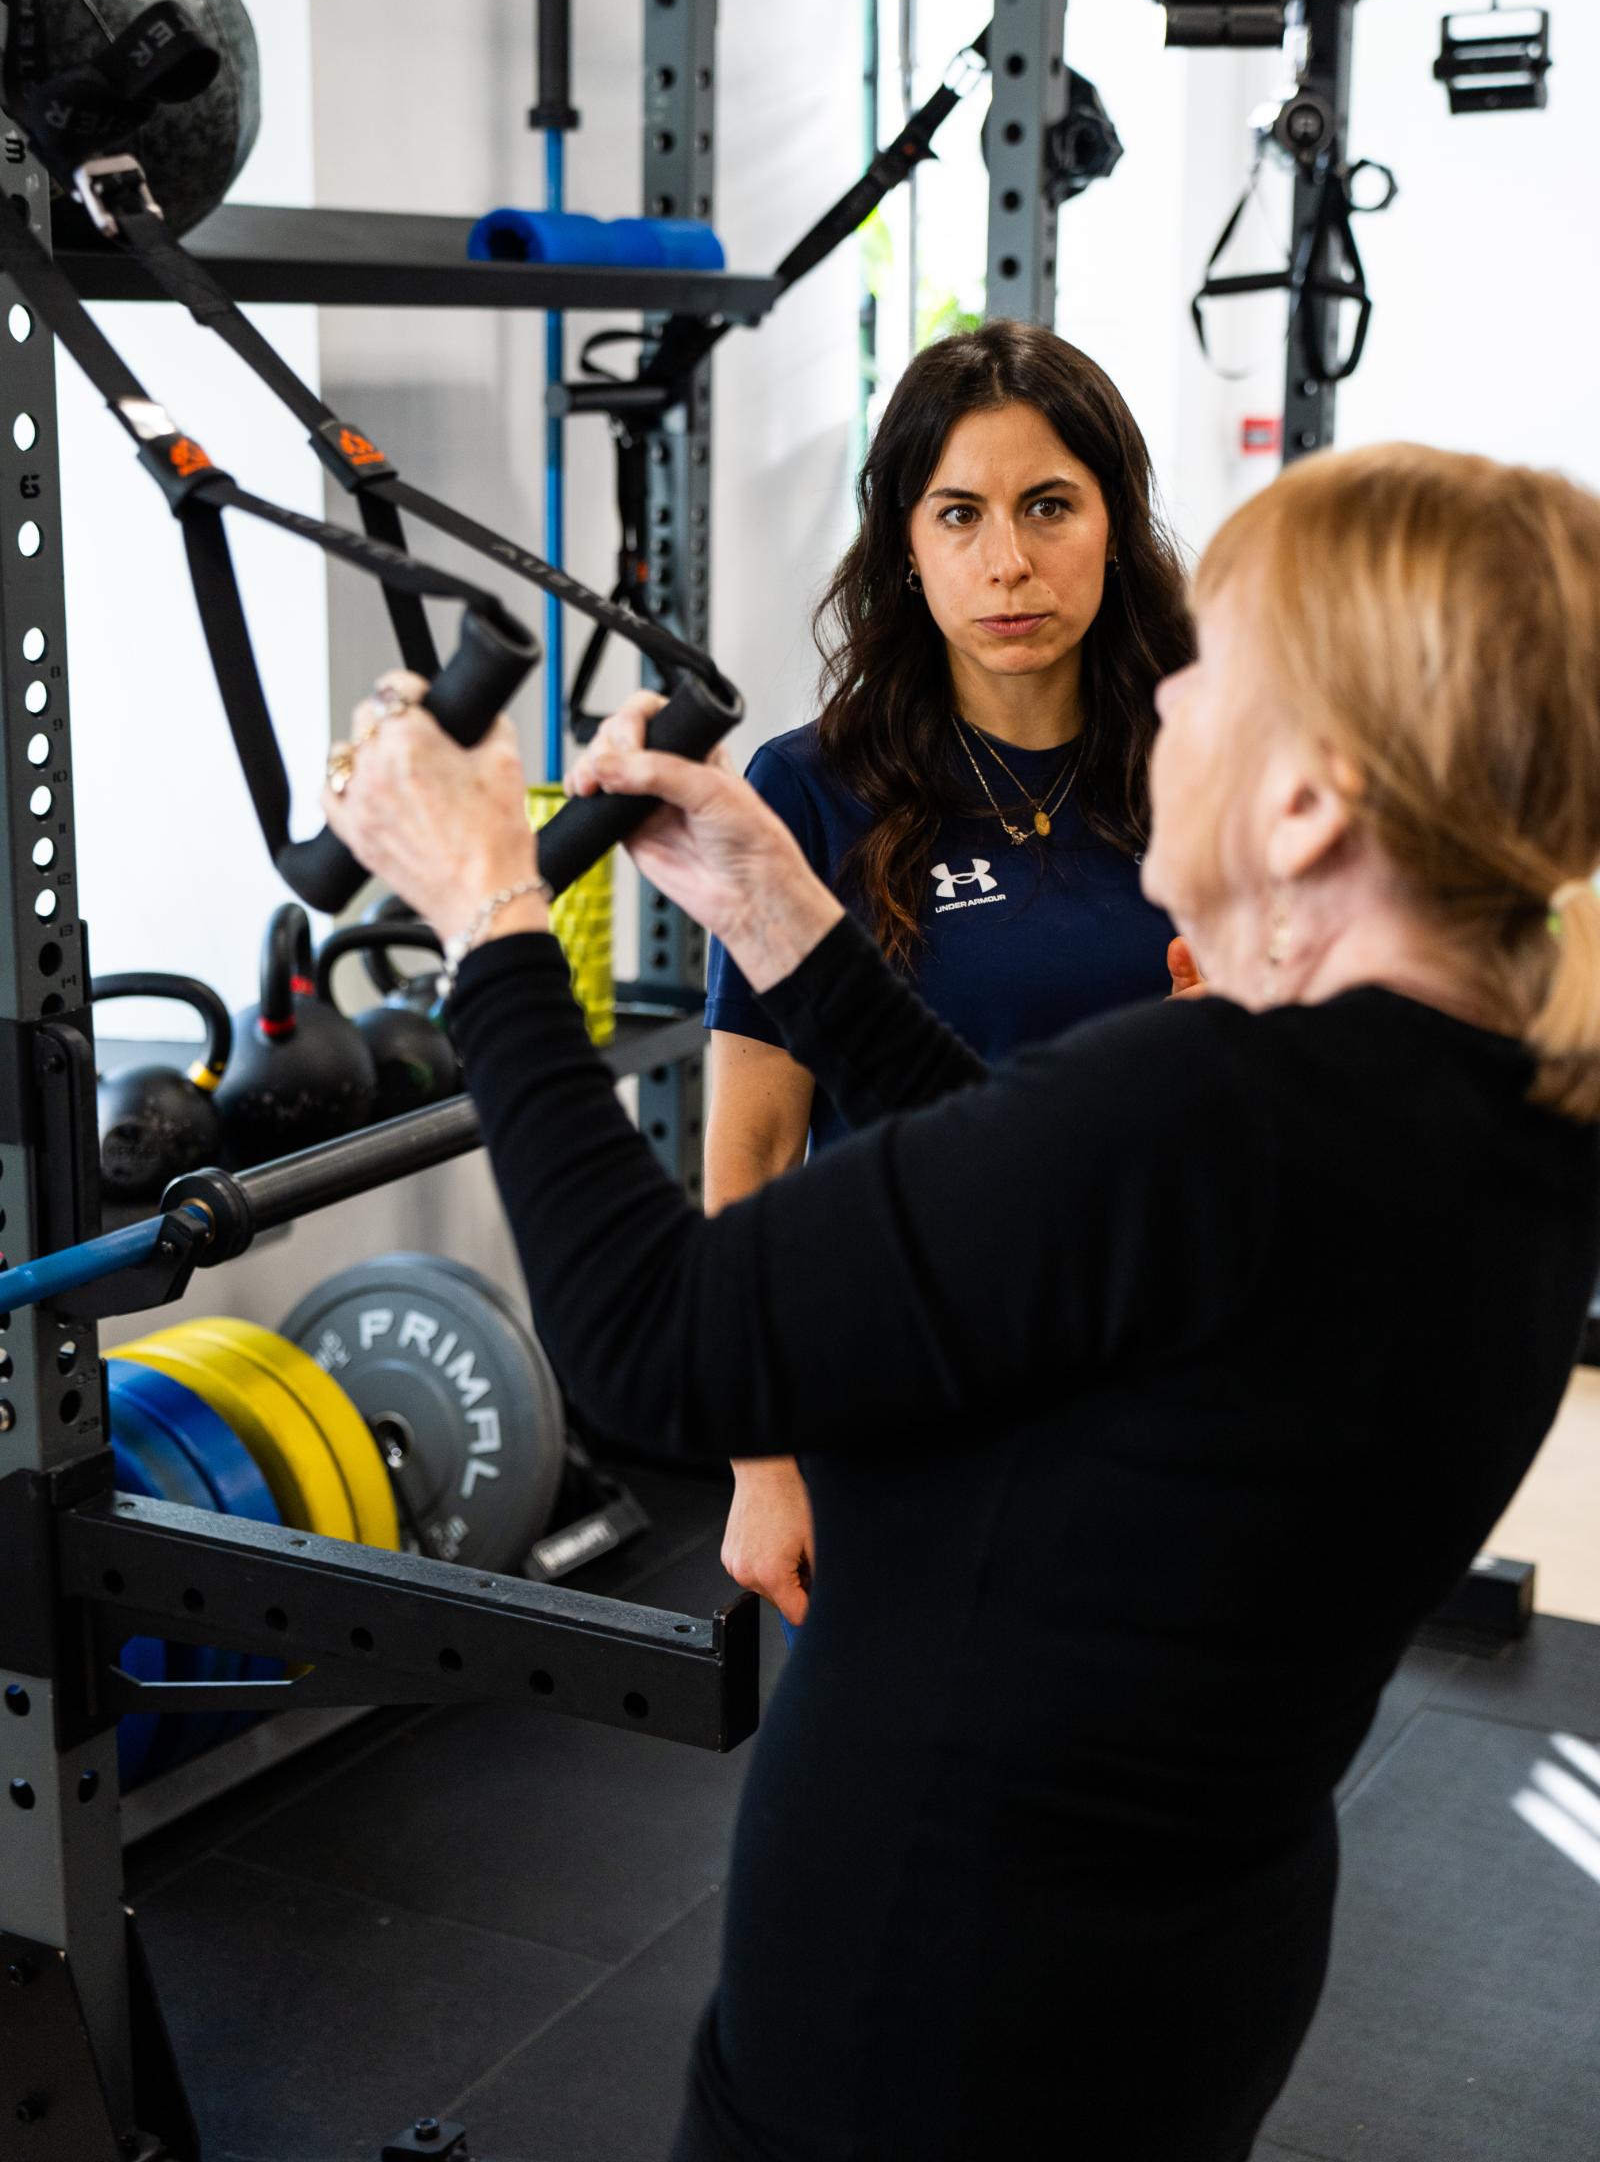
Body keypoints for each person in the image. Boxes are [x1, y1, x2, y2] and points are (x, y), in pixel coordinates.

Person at [325, 441, 1600, 2162]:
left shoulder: (1217, 1106)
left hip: (929, 2022)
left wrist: (487, 917)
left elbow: (651, 1347)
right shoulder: (1493, 1107)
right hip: (1172, 1984)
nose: (1165, 713)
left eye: (1211, 672)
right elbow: (1049, 1222)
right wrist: (785, 914)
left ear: (1312, 803)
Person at [705, 321, 1194, 1627]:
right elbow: (750, 1156)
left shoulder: (1207, 765)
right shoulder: (808, 792)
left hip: (1162, 1388)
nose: (1009, 561)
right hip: (902, 1393)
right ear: (907, 551)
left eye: (1050, 506)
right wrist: (761, 1462)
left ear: (1115, 524)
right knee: (894, 1813)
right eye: (960, 514)